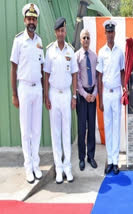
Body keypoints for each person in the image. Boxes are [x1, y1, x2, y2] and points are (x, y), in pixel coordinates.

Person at [10, 3, 44, 184]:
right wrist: (14, 94)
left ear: (36, 21)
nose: (31, 21)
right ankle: (28, 166)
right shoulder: (18, 41)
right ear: (24, 20)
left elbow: (41, 66)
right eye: (29, 18)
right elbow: (13, 68)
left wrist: (44, 92)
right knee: (26, 131)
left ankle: (36, 165)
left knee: (36, 129)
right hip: (23, 88)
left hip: (37, 88)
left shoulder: (39, 41)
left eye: (34, 19)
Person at [44, 17, 78, 184]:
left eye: (63, 30)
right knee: (55, 133)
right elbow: (46, 75)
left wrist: (74, 96)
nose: (60, 33)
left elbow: (75, 74)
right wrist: (45, 96)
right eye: (58, 30)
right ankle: (58, 168)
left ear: (65, 31)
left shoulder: (70, 51)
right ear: (55, 32)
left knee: (66, 131)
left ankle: (67, 167)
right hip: (53, 94)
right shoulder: (50, 51)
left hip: (66, 94)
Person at [97, 20, 125, 175]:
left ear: (114, 33)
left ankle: (116, 162)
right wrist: (100, 99)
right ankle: (110, 159)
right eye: (108, 32)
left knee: (116, 127)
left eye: (112, 31)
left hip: (117, 92)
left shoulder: (120, 52)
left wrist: (124, 88)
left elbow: (122, 72)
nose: (110, 34)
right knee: (108, 127)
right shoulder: (101, 52)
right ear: (105, 33)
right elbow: (99, 76)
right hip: (106, 93)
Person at [75, 29, 98, 171]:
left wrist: (94, 93)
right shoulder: (76, 56)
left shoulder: (94, 56)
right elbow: (76, 79)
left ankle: (91, 156)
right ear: (80, 39)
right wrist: (84, 94)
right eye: (84, 37)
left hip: (92, 95)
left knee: (92, 129)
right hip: (82, 96)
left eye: (88, 37)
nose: (86, 40)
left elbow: (96, 77)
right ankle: (81, 158)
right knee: (82, 128)